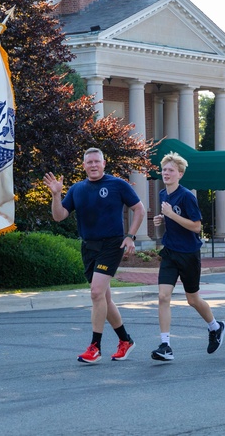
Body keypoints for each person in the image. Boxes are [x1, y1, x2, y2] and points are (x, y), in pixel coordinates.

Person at [44, 147, 146, 364]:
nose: (93, 165)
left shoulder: (117, 184)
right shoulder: (77, 189)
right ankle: (125, 340)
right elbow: (59, 216)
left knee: (96, 292)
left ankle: (95, 347)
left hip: (111, 245)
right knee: (104, 298)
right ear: (84, 166)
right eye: (89, 162)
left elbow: (139, 209)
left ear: (103, 163)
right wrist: (56, 195)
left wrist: (130, 236)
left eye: (96, 162)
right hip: (89, 247)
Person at [150, 152, 225, 361]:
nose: (166, 173)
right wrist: (162, 219)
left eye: (171, 170)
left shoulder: (186, 196)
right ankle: (165, 345)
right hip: (170, 251)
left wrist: (171, 215)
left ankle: (215, 326)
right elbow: (171, 218)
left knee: (192, 299)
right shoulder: (163, 195)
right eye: (164, 169)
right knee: (163, 296)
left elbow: (196, 226)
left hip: (189, 254)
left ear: (180, 174)